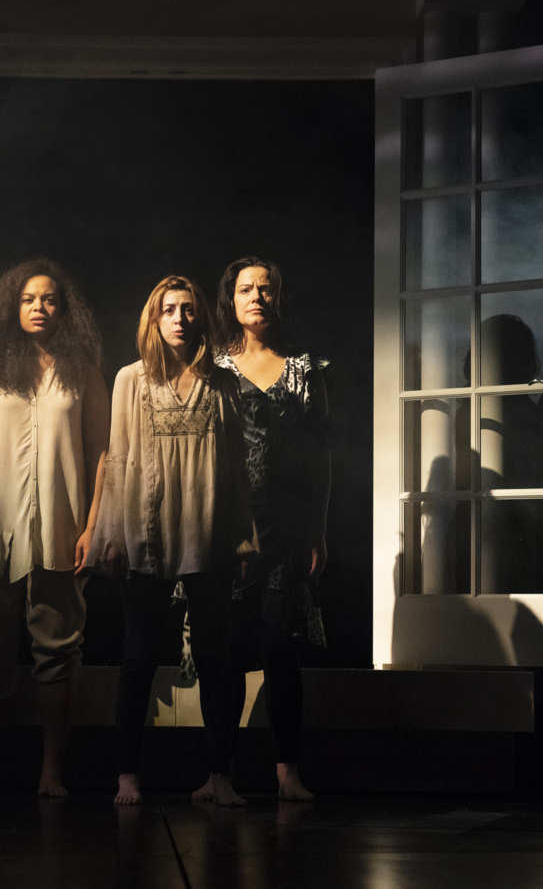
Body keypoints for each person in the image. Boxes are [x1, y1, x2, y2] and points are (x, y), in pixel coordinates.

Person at [81, 275, 248, 807]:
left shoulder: (222, 383)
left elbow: (236, 467)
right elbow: (118, 457)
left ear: (201, 317)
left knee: (217, 657)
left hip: (207, 528)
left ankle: (219, 774)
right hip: (146, 529)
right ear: (154, 319)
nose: (179, 318)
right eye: (169, 309)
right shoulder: (130, 380)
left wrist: (243, 538)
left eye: (189, 309)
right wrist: (110, 531)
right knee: (138, 658)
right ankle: (127, 773)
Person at [0, 258, 109, 798]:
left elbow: (100, 452)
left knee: (58, 652)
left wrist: (92, 526)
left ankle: (51, 773)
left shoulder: (82, 369)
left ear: (64, 310)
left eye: (48, 300)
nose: (38, 308)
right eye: (28, 299)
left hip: (63, 529)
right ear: (11, 307)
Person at [212, 255, 330, 802]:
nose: (255, 296)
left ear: (277, 298)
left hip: (285, 530)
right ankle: (219, 772)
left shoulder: (304, 369)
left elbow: (321, 458)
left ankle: (288, 771)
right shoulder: (213, 369)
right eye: (245, 289)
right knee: (229, 649)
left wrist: (318, 531)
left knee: (281, 649)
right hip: (231, 529)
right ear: (231, 301)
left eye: (264, 288)